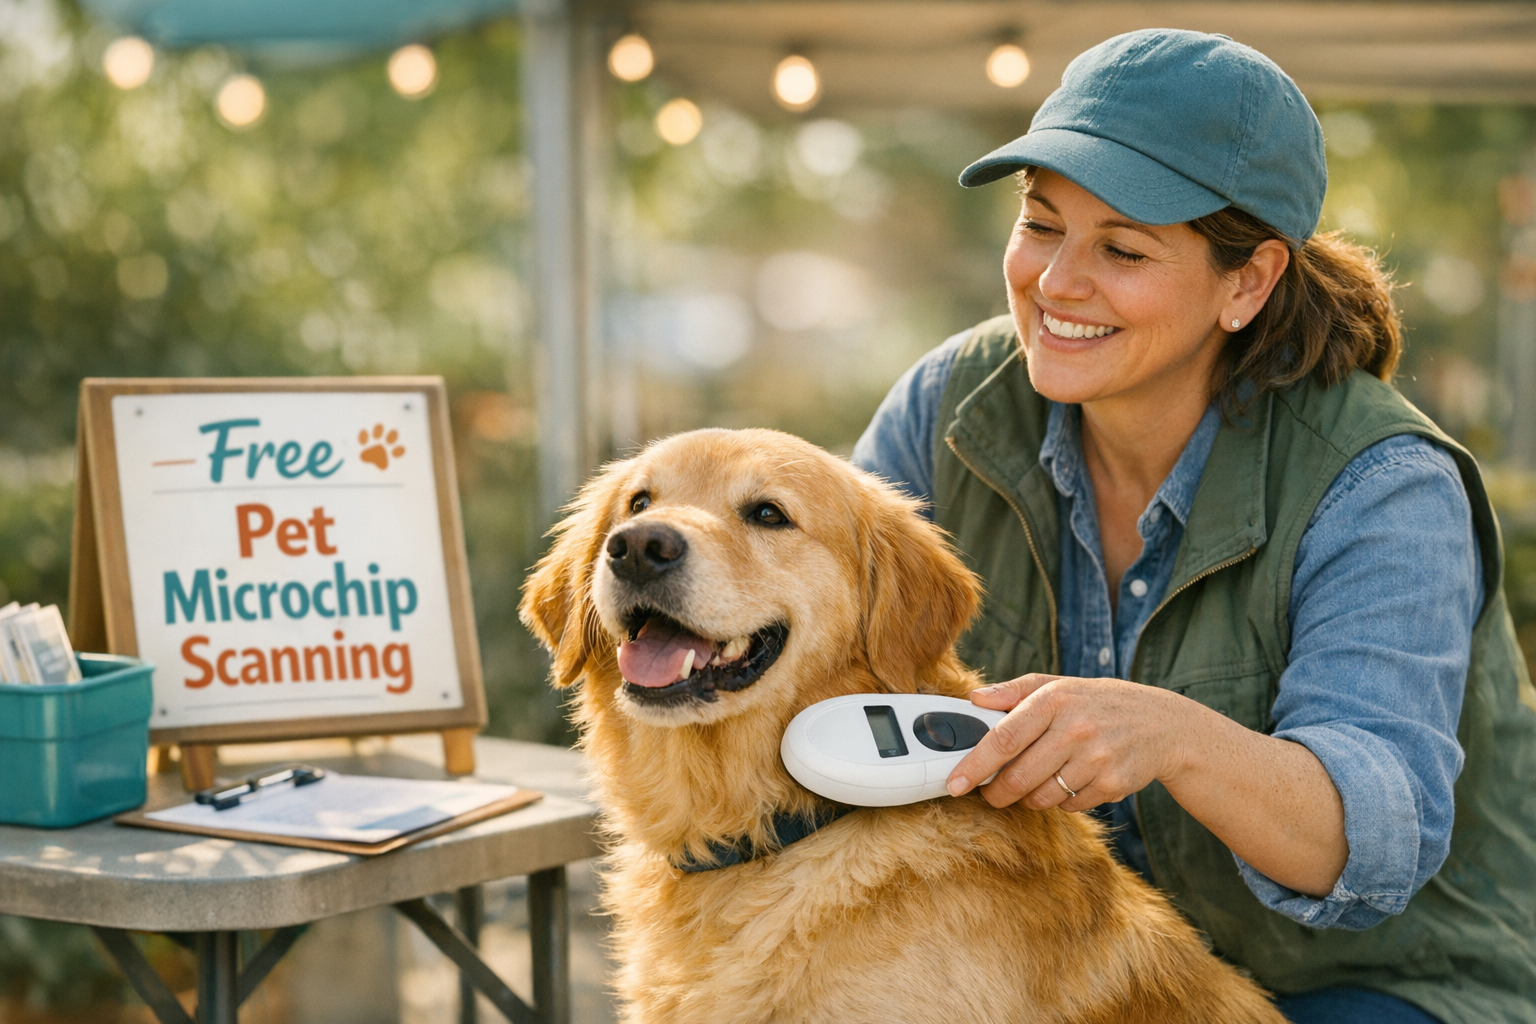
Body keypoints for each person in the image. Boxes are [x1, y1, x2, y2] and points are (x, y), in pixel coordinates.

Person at [851, 28, 1536, 1024]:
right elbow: (821, 640)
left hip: (1364, 982)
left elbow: (1368, 833)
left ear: (1247, 282)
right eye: (1041, 225)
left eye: (1122, 249)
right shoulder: (949, 406)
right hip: (1070, 964)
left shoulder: (1383, 483)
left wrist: (1168, 734)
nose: (1055, 282)